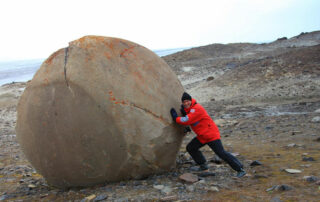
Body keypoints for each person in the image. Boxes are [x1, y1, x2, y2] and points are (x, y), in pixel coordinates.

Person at [170, 92, 246, 178]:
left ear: (191, 100)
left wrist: (175, 118)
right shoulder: (190, 109)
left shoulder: (196, 108)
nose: (186, 103)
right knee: (191, 148)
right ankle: (203, 165)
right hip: (203, 136)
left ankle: (240, 169)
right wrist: (186, 117)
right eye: (184, 102)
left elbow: (187, 120)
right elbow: (192, 119)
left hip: (211, 135)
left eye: (187, 101)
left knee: (221, 153)